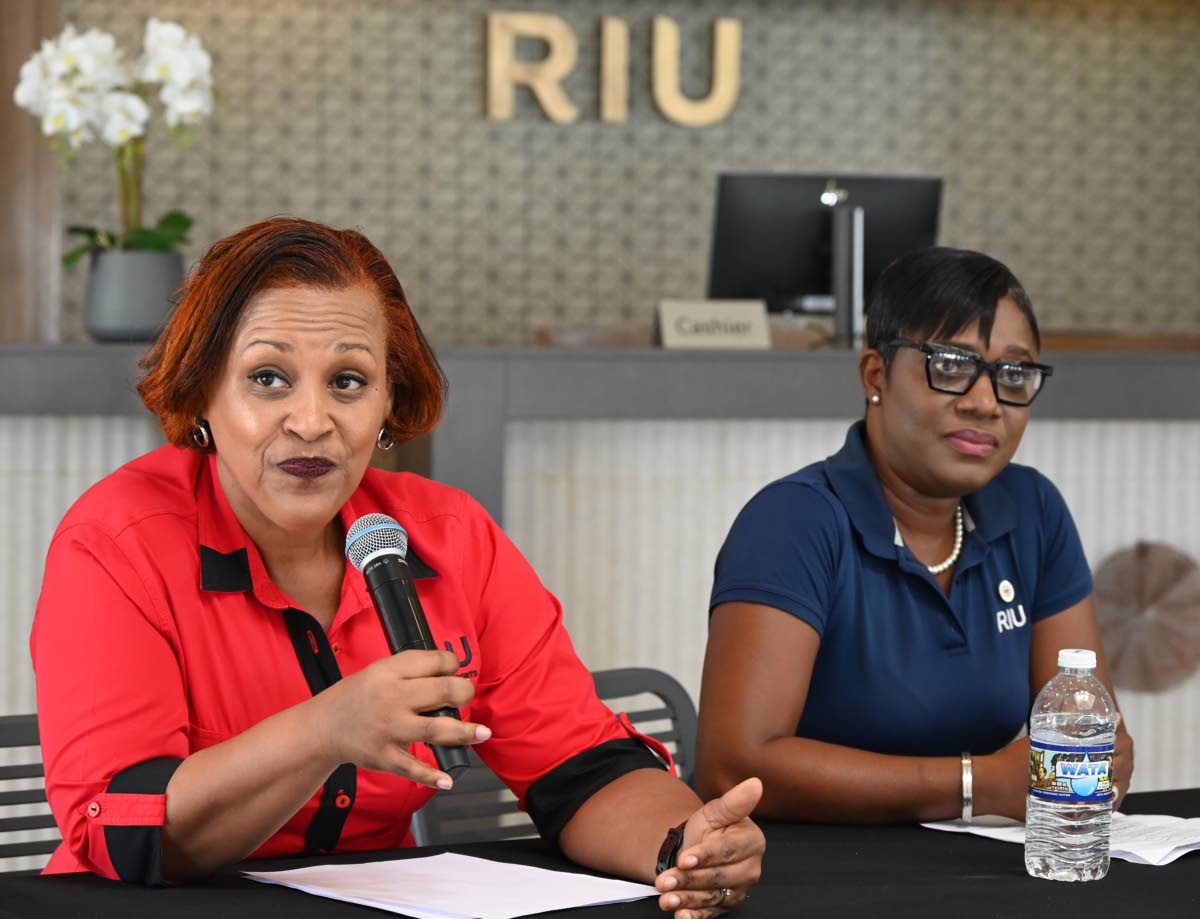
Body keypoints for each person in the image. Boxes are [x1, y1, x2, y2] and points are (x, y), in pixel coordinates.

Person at [31, 217, 764, 914]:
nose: (312, 420)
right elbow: (119, 826)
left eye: (347, 381)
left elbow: (580, 769)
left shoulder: (451, 536)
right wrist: (324, 729)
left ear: (387, 404)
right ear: (202, 394)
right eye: (268, 378)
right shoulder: (116, 544)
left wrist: (686, 843)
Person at [694, 246, 1134, 824]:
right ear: (876, 375)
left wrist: (1096, 759)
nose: (986, 402)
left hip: (981, 865)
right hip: (809, 872)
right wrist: (982, 784)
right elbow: (733, 767)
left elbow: (1093, 734)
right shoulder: (794, 521)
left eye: (1014, 373)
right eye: (950, 365)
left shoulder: (1033, 511)